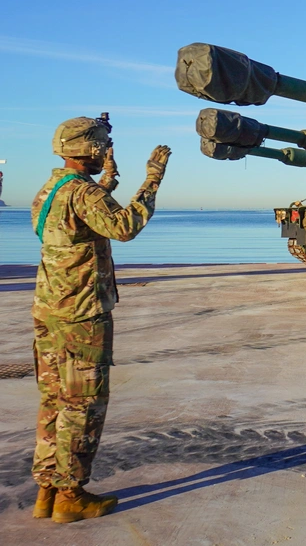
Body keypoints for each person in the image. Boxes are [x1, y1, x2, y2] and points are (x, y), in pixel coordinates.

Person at [30, 115, 170, 523]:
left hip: (49, 312)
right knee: (83, 405)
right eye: (102, 146)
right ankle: (70, 495)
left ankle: (46, 489)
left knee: (53, 401)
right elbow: (123, 226)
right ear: (89, 148)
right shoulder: (83, 193)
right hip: (82, 315)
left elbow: (85, 212)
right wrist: (152, 179)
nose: (105, 151)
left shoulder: (50, 189)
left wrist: (107, 179)